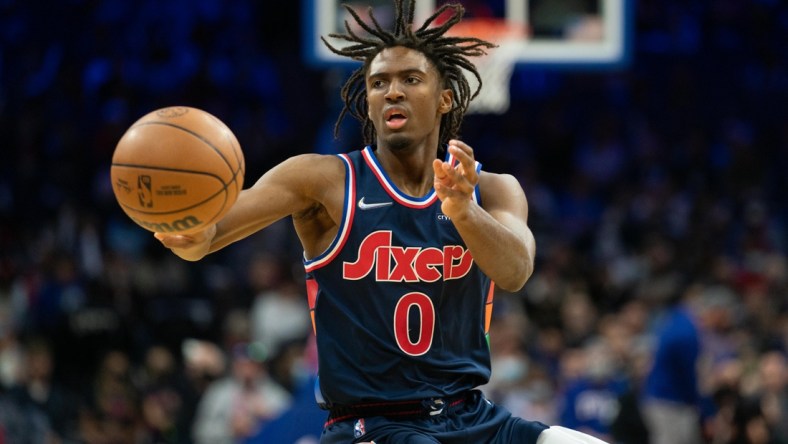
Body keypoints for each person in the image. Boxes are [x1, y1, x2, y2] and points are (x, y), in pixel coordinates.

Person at [156, 0, 610, 442]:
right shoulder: (323, 181)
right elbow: (207, 236)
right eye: (378, 83)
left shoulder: (493, 191)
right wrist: (188, 233)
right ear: (369, 105)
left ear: (445, 99)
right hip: (369, 424)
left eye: (411, 79)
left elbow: (515, 272)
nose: (392, 90)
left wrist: (463, 212)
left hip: (470, 417)